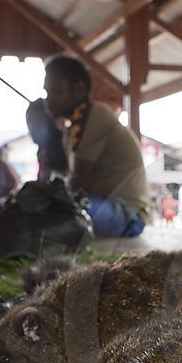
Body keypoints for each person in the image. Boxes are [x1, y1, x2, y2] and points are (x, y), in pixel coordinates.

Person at [43, 55, 152, 237]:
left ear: (79, 89)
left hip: (127, 215)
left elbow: (78, 184)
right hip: (101, 206)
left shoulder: (95, 116)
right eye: (47, 92)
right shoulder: (72, 128)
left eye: (56, 91)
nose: (48, 100)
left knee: (52, 213)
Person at [25, 98, 68, 180]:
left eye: (36, 122)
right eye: (29, 123)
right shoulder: (42, 151)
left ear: (50, 121)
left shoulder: (62, 147)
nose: (32, 129)